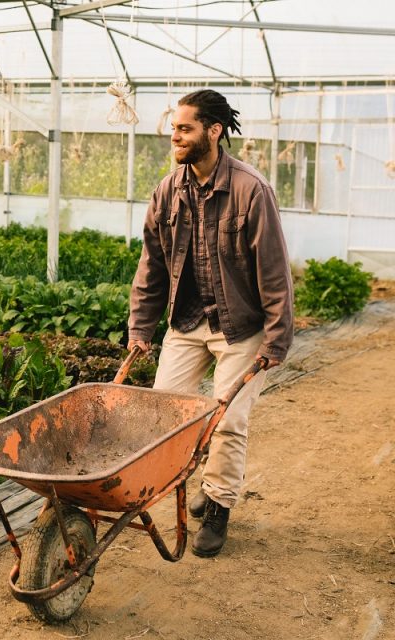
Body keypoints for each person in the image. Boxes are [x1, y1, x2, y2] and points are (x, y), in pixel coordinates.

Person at [127, 89, 294, 557]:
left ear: (213, 131)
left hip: (241, 326)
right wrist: (141, 330)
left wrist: (277, 340)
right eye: (174, 128)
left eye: (184, 129)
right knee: (166, 411)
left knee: (227, 420)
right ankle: (197, 480)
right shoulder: (168, 191)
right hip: (186, 322)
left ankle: (218, 505)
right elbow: (151, 267)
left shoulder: (249, 189)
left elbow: (274, 271)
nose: (174, 136)